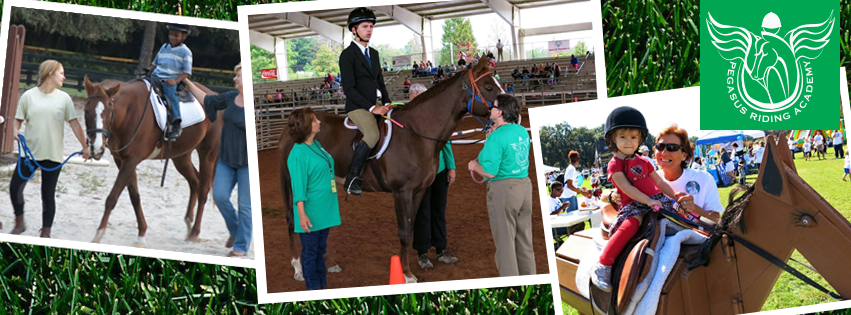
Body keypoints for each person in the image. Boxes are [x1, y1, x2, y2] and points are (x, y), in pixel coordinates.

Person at [590, 106, 680, 292]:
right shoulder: (614, 164)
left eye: (633, 137)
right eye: (623, 137)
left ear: (640, 139)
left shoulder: (645, 161)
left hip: (655, 200)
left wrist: (674, 196)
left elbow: (660, 183)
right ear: (613, 139)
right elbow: (626, 188)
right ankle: (602, 264)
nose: (629, 142)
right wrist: (647, 201)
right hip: (635, 205)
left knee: (678, 218)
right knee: (630, 225)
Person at [9, 60, 91, 237]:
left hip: (53, 155)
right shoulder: (29, 96)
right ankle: (19, 222)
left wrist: (85, 146)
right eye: (61, 73)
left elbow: (75, 124)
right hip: (30, 153)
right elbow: (18, 119)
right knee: (15, 187)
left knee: (47, 194)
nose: (64, 77)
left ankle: (46, 232)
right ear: (50, 74)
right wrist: (15, 130)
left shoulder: (64, 99)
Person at [183, 63, 251, 257]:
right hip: (227, 160)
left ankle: (240, 248)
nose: (235, 79)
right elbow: (207, 99)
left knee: (245, 206)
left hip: (247, 164)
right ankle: (236, 230)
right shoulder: (230, 98)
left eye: (238, 76)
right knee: (220, 197)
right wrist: (187, 81)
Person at [468, 95, 535, 277]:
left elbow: (489, 171)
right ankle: (530, 278)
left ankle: (512, 282)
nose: (490, 108)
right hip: (524, 187)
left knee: (505, 243)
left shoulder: (495, 137)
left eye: (493, 106)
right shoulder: (521, 131)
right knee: (524, 240)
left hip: (504, 190)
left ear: (499, 112)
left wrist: (474, 166)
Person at [286, 107, 341, 290]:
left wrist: (344, 181)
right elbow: (298, 188)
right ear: (305, 126)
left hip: (323, 208)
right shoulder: (298, 154)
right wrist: (301, 214)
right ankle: (313, 288)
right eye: (315, 120)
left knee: (319, 250)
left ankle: (322, 284)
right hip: (311, 211)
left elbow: (327, 169)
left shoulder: (316, 145)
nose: (319, 122)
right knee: (310, 253)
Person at [339, 7, 391, 196]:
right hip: (358, 107)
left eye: (371, 26)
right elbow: (349, 89)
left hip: (376, 105)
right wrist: (372, 107)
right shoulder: (347, 55)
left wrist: (387, 102)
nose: (369, 29)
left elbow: (380, 82)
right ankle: (352, 178)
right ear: (354, 29)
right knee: (371, 135)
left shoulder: (374, 54)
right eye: (364, 26)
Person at [410, 84, 459, 269]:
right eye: (413, 95)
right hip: (419, 173)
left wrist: (451, 167)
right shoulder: (407, 120)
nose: (417, 98)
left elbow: (445, 143)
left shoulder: (436, 117)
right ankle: (422, 253)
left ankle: (441, 249)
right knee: (422, 212)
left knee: (438, 210)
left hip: (439, 169)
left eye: (420, 95)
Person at [654, 126, 723, 223]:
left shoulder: (703, 178)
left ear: (684, 155)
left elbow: (716, 220)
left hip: (697, 236)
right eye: (660, 147)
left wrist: (694, 208)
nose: (664, 152)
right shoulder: (648, 180)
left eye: (672, 147)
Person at [151, 23, 193, 141]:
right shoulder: (164, 46)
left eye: (176, 35)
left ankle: (176, 122)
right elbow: (155, 63)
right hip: (156, 76)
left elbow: (187, 72)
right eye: (171, 35)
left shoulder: (186, 52)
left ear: (184, 36)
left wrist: (175, 81)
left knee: (170, 94)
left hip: (170, 79)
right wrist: (147, 72)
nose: (172, 38)